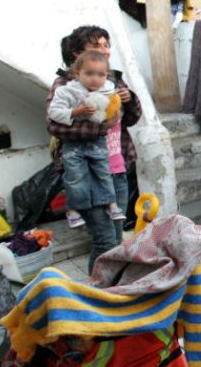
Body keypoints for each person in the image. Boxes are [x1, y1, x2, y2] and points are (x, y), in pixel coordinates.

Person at [46, 25, 142, 274]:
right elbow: (54, 125)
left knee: (117, 234)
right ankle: (97, 292)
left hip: (117, 169)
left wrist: (129, 99)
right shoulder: (65, 85)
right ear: (77, 53)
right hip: (88, 173)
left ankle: (112, 287)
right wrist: (101, 127)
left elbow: (130, 120)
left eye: (106, 44)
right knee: (105, 240)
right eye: (96, 45)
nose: (105, 50)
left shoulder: (111, 79)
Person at [47, 50, 127, 228]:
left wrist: (118, 109)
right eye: (89, 74)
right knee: (75, 176)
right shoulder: (66, 90)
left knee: (103, 172)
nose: (95, 79)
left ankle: (111, 205)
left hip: (99, 142)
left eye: (100, 75)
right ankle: (74, 210)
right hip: (73, 144)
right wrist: (76, 112)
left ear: (107, 75)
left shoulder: (109, 89)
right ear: (77, 73)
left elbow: (116, 112)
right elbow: (53, 114)